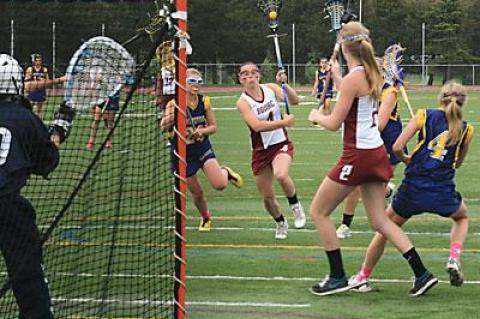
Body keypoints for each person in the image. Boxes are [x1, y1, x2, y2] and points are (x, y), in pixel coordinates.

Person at [307, 22, 436, 296]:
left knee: (319, 212)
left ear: (343, 46)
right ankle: (421, 273)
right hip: (376, 152)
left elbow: (333, 123)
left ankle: (338, 276)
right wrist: (339, 76)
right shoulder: (371, 72)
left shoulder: (356, 76)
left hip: (357, 155)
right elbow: (356, 98)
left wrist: (316, 116)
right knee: (380, 221)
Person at [349, 82, 473, 292]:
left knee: (384, 229)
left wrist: (407, 159)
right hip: (442, 189)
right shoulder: (466, 129)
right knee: (461, 218)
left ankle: (363, 276)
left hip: (414, 187)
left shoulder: (424, 115)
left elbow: (397, 146)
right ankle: (453, 257)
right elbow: (457, 163)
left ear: (441, 98)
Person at [0, 54, 74, 319]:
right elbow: (47, 161)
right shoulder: (23, 118)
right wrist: (60, 128)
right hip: (7, 206)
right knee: (30, 282)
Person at [160, 68, 243, 232]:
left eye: (199, 82)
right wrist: (176, 113)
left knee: (219, 184)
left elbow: (213, 127)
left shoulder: (204, 101)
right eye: (192, 81)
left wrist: (201, 132)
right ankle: (205, 217)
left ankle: (225, 172)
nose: (196, 85)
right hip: (182, 154)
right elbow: (163, 126)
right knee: (196, 193)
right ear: (183, 83)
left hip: (202, 147)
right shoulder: (173, 103)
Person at [336, 54, 404, 240]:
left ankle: (386, 197)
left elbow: (380, 124)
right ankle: (345, 224)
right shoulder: (365, 87)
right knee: (356, 185)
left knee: (375, 187)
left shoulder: (389, 92)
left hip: (388, 140)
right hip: (367, 139)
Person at [236, 62, 306, 240]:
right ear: (240, 79)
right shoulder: (243, 102)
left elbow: (295, 101)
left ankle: (296, 206)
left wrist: (285, 83)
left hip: (280, 143)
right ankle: (280, 222)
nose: (249, 76)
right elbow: (257, 126)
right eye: (245, 73)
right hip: (260, 151)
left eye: (253, 72)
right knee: (267, 197)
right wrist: (284, 122)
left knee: (281, 175)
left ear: (259, 75)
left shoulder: (271, 88)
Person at [25, 53, 49, 119]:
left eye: (40, 60)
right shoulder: (30, 69)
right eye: (37, 60)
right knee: (30, 105)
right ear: (34, 61)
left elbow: (47, 80)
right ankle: (30, 118)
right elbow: (26, 80)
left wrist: (43, 81)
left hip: (41, 90)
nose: (38, 62)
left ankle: (39, 119)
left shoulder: (44, 69)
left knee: (40, 108)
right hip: (33, 90)